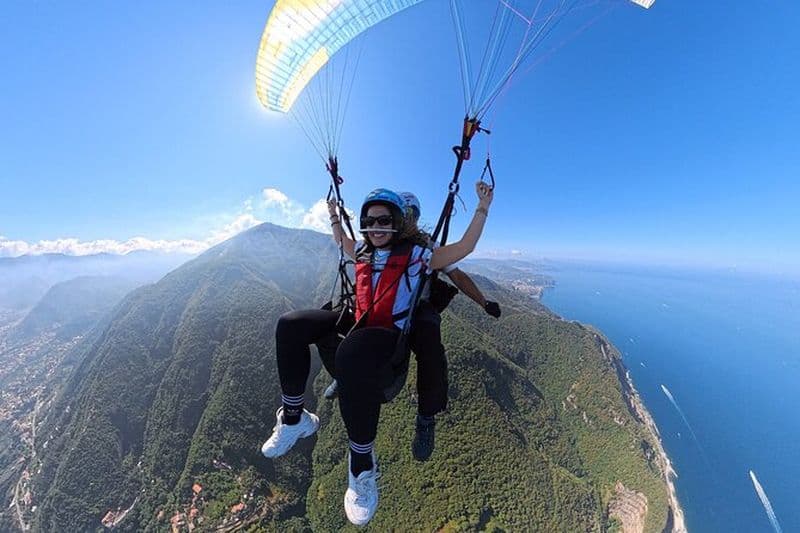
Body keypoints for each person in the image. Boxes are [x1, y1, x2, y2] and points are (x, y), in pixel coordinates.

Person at [260, 183, 494, 525]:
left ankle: (363, 463)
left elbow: (464, 249)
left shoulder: (418, 255)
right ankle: (296, 419)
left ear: (398, 223)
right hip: (359, 324)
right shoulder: (363, 252)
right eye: (370, 220)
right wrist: (333, 217)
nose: (377, 226)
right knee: (290, 324)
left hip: (388, 336)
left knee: (358, 352)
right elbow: (341, 241)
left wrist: (482, 206)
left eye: (385, 221)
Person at [324, 191, 501, 463]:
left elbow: (458, 273)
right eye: (402, 214)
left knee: (430, 343)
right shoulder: (376, 244)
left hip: (418, 309)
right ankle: (345, 371)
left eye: (411, 215)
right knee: (353, 314)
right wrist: (334, 215)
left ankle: (426, 417)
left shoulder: (425, 249)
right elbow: (344, 243)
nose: (406, 220)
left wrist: (483, 301)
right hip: (382, 306)